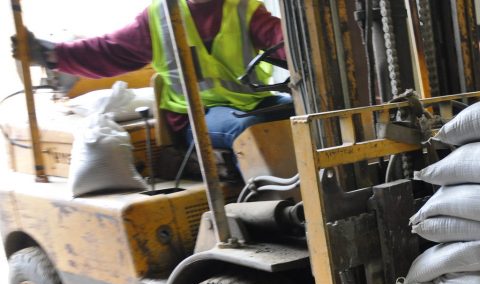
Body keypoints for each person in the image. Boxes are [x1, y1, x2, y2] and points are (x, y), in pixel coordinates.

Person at [14, 0, 291, 153]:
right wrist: (50, 54)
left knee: (302, 111)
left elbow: (280, 39)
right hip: (194, 115)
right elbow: (110, 51)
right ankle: (275, 212)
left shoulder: (243, 8)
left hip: (249, 103)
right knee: (248, 129)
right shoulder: (159, 16)